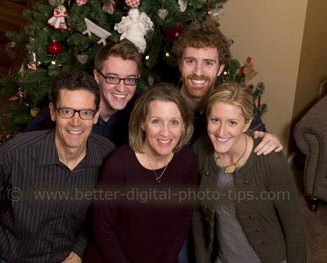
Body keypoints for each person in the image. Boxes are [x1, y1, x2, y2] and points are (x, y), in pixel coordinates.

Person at [0, 70, 115, 263]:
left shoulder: (108, 157)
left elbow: (103, 216)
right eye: (67, 111)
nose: (76, 122)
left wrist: (80, 249)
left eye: (86, 113)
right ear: (53, 112)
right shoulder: (12, 155)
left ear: (96, 116)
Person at [84, 83, 198, 263]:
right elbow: (103, 228)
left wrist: (168, 258)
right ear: (143, 123)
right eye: (156, 121)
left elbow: (185, 216)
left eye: (174, 122)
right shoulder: (119, 164)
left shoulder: (187, 161)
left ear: (184, 125)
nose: (165, 132)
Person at [192, 83, 306, 263]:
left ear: (247, 124)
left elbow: (295, 228)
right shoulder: (200, 151)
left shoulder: (270, 159)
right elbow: (198, 216)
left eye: (232, 122)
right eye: (215, 120)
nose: (221, 131)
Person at [172, 22, 282, 154]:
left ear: (220, 68)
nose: (198, 72)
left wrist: (270, 141)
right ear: (180, 64)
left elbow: (260, 141)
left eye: (208, 63)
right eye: (190, 61)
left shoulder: (237, 103)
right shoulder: (161, 103)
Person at [25, 39, 142, 147]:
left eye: (130, 79)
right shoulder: (68, 105)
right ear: (97, 76)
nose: (121, 88)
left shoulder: (141, 110)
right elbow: (23, 146)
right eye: (112, 78)